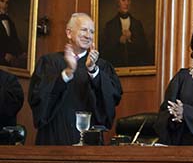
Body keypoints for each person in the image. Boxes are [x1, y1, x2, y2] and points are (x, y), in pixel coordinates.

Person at [28, 13, 123, 145]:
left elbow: (112, 98)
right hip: (54, 139)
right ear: (69, 33)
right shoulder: (49, 62)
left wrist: (93, 71)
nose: (88, 35)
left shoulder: (101, 66)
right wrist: (67, 73)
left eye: (92, 31)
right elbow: (38, 97)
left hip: (90, 145)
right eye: (84, 29)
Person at [100, 0, 152, 67]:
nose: (126, 3)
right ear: (118, 1)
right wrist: (119, 41)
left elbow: (145, 51)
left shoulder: (137, 24)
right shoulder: (110, 26)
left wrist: (131, 39)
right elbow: (104, 52)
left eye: (129, 0)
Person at [0, 0, 26, 68]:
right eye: (2, 1)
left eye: (7, 3)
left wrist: (21, 53)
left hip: (8, 66)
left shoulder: (10, 22)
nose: (4, 5)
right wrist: (3, 55)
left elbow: (15, 41)